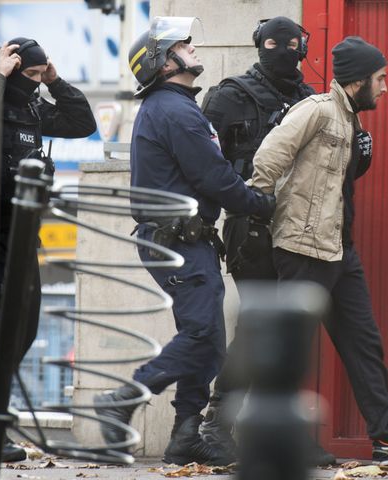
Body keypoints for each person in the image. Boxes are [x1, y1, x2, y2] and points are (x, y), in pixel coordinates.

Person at [250, 36, 388, 466]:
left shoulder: (350, 119)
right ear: (359, 80)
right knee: (289, 350)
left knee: (364, 343)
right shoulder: (318, 110)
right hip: (303, 248)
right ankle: (266, 442)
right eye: (381, 78)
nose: (386, 87)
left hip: (338, 249)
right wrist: (257, 213)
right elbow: (267, 159)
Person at [93, 17, 275, 466]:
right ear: (163, 61)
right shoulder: (174, 110)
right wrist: (261, 202)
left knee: (205, 336)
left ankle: (185, 434)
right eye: (182, 45)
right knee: (203, 335)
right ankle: (124, 397)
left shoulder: (173, 107)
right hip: (177, 241)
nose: (192, 47)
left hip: (184, 240)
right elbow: (212, 176)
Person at [200, 17, 335, 466]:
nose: (282, 50)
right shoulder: (229, 95)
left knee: (291, 328)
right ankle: (217, 423)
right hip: (251, 227)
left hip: (299, 228)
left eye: (289, 44)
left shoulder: (312, 101)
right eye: (274, 44)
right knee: (258, 327)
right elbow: (205, 164)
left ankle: (285, 432)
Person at [0, 38, 97, 462]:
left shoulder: (32, 109)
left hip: (23, 236)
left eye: (39, 76)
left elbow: (80, 122)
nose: (34, 84)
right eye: (29, 76)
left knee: (22, 329)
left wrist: (56, 81)